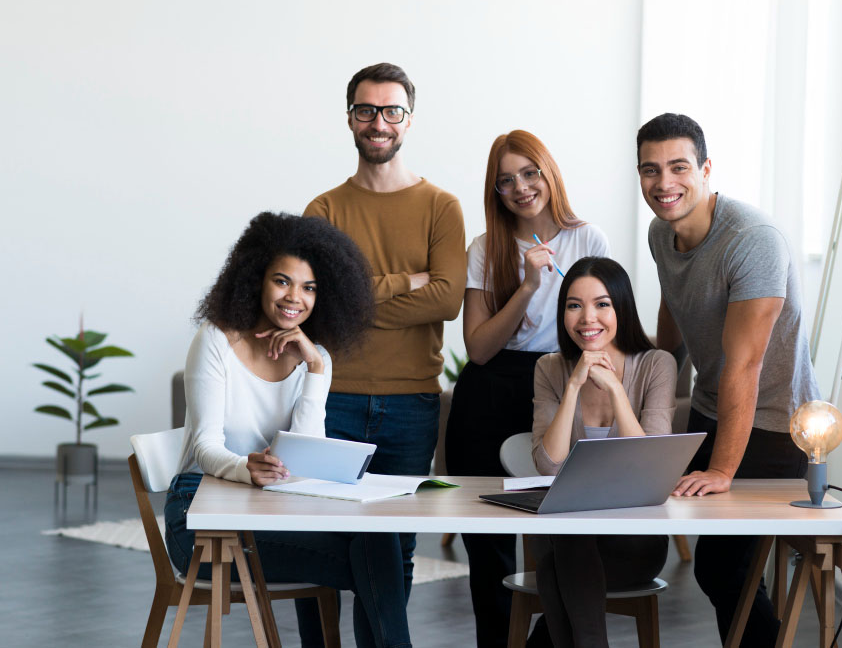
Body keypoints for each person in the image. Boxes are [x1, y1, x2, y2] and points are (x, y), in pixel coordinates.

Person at [164, 212, 413, 648]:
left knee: (377, 539)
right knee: (372, 557)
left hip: (267, 511)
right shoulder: (217, 340)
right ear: (256, 279)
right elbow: (204, 446)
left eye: (309, 287)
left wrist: (314, 368)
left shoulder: (314, 357)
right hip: (201, 522)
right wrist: (247, 468)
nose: (294, 297)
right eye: (282, 281)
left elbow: (305, 456)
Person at [638, 112, 819, 647]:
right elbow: (674, 311)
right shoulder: (660, 231)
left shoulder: (752, 240)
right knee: (716, 569)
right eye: (650, 170)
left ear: (706, 168)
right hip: (711, 408)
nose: (664, 184)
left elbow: (746, 365)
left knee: (723, 568)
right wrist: (648, 371)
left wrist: (721, 469)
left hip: (771, 424)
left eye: (678, 167)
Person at [301, 62, 466, 646]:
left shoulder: (441, 206)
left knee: (395, 550)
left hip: (410, 406)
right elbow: (318, 307)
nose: (379, 122)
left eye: (391, 111)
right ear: (349, 117)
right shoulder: (323, 211)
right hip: (332, 399)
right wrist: (407, 282)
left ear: (408, 120)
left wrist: (362, 291)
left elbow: (446, 301)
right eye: (366, 110)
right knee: (321, 546)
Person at [444, 130, 610, 647]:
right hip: (490, 390)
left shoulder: (587, 238)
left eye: (529, 172)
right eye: (505, 181)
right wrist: (529, 287)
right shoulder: (484, 247)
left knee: (564, 535)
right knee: (487, 540)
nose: (520, 187)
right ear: (495, 192)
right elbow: (479, 347)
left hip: (561, 382)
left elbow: (604, 322)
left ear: (548, 171)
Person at [528, 256, 675, 648]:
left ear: (621, 308)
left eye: (602, 304)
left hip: (634, 541)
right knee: (568, 540)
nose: (587, 317)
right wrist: (574, 387)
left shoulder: (657, 364)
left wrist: (613, 388)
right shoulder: (550, 369)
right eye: (574, 305)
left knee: (552, 569)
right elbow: (547, 465)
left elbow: (649, 467)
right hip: (570, 539)